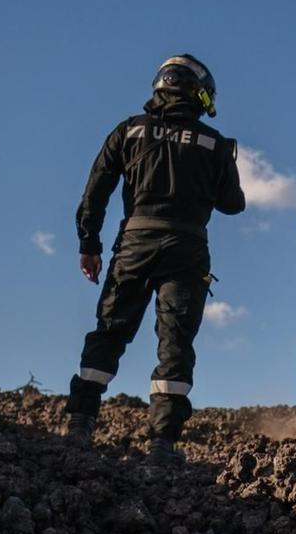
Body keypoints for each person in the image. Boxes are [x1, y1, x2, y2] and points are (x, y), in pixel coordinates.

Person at [63, 54, 246, 463]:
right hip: (186, 250)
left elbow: (95, 190)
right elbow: (234, 205)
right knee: (175, 345)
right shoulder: (214, 144)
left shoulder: (128, 131)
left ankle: (80, 424)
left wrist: (88, 243)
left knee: (109, 331)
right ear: (200, 94)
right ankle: (162, 445)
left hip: (134, 245)